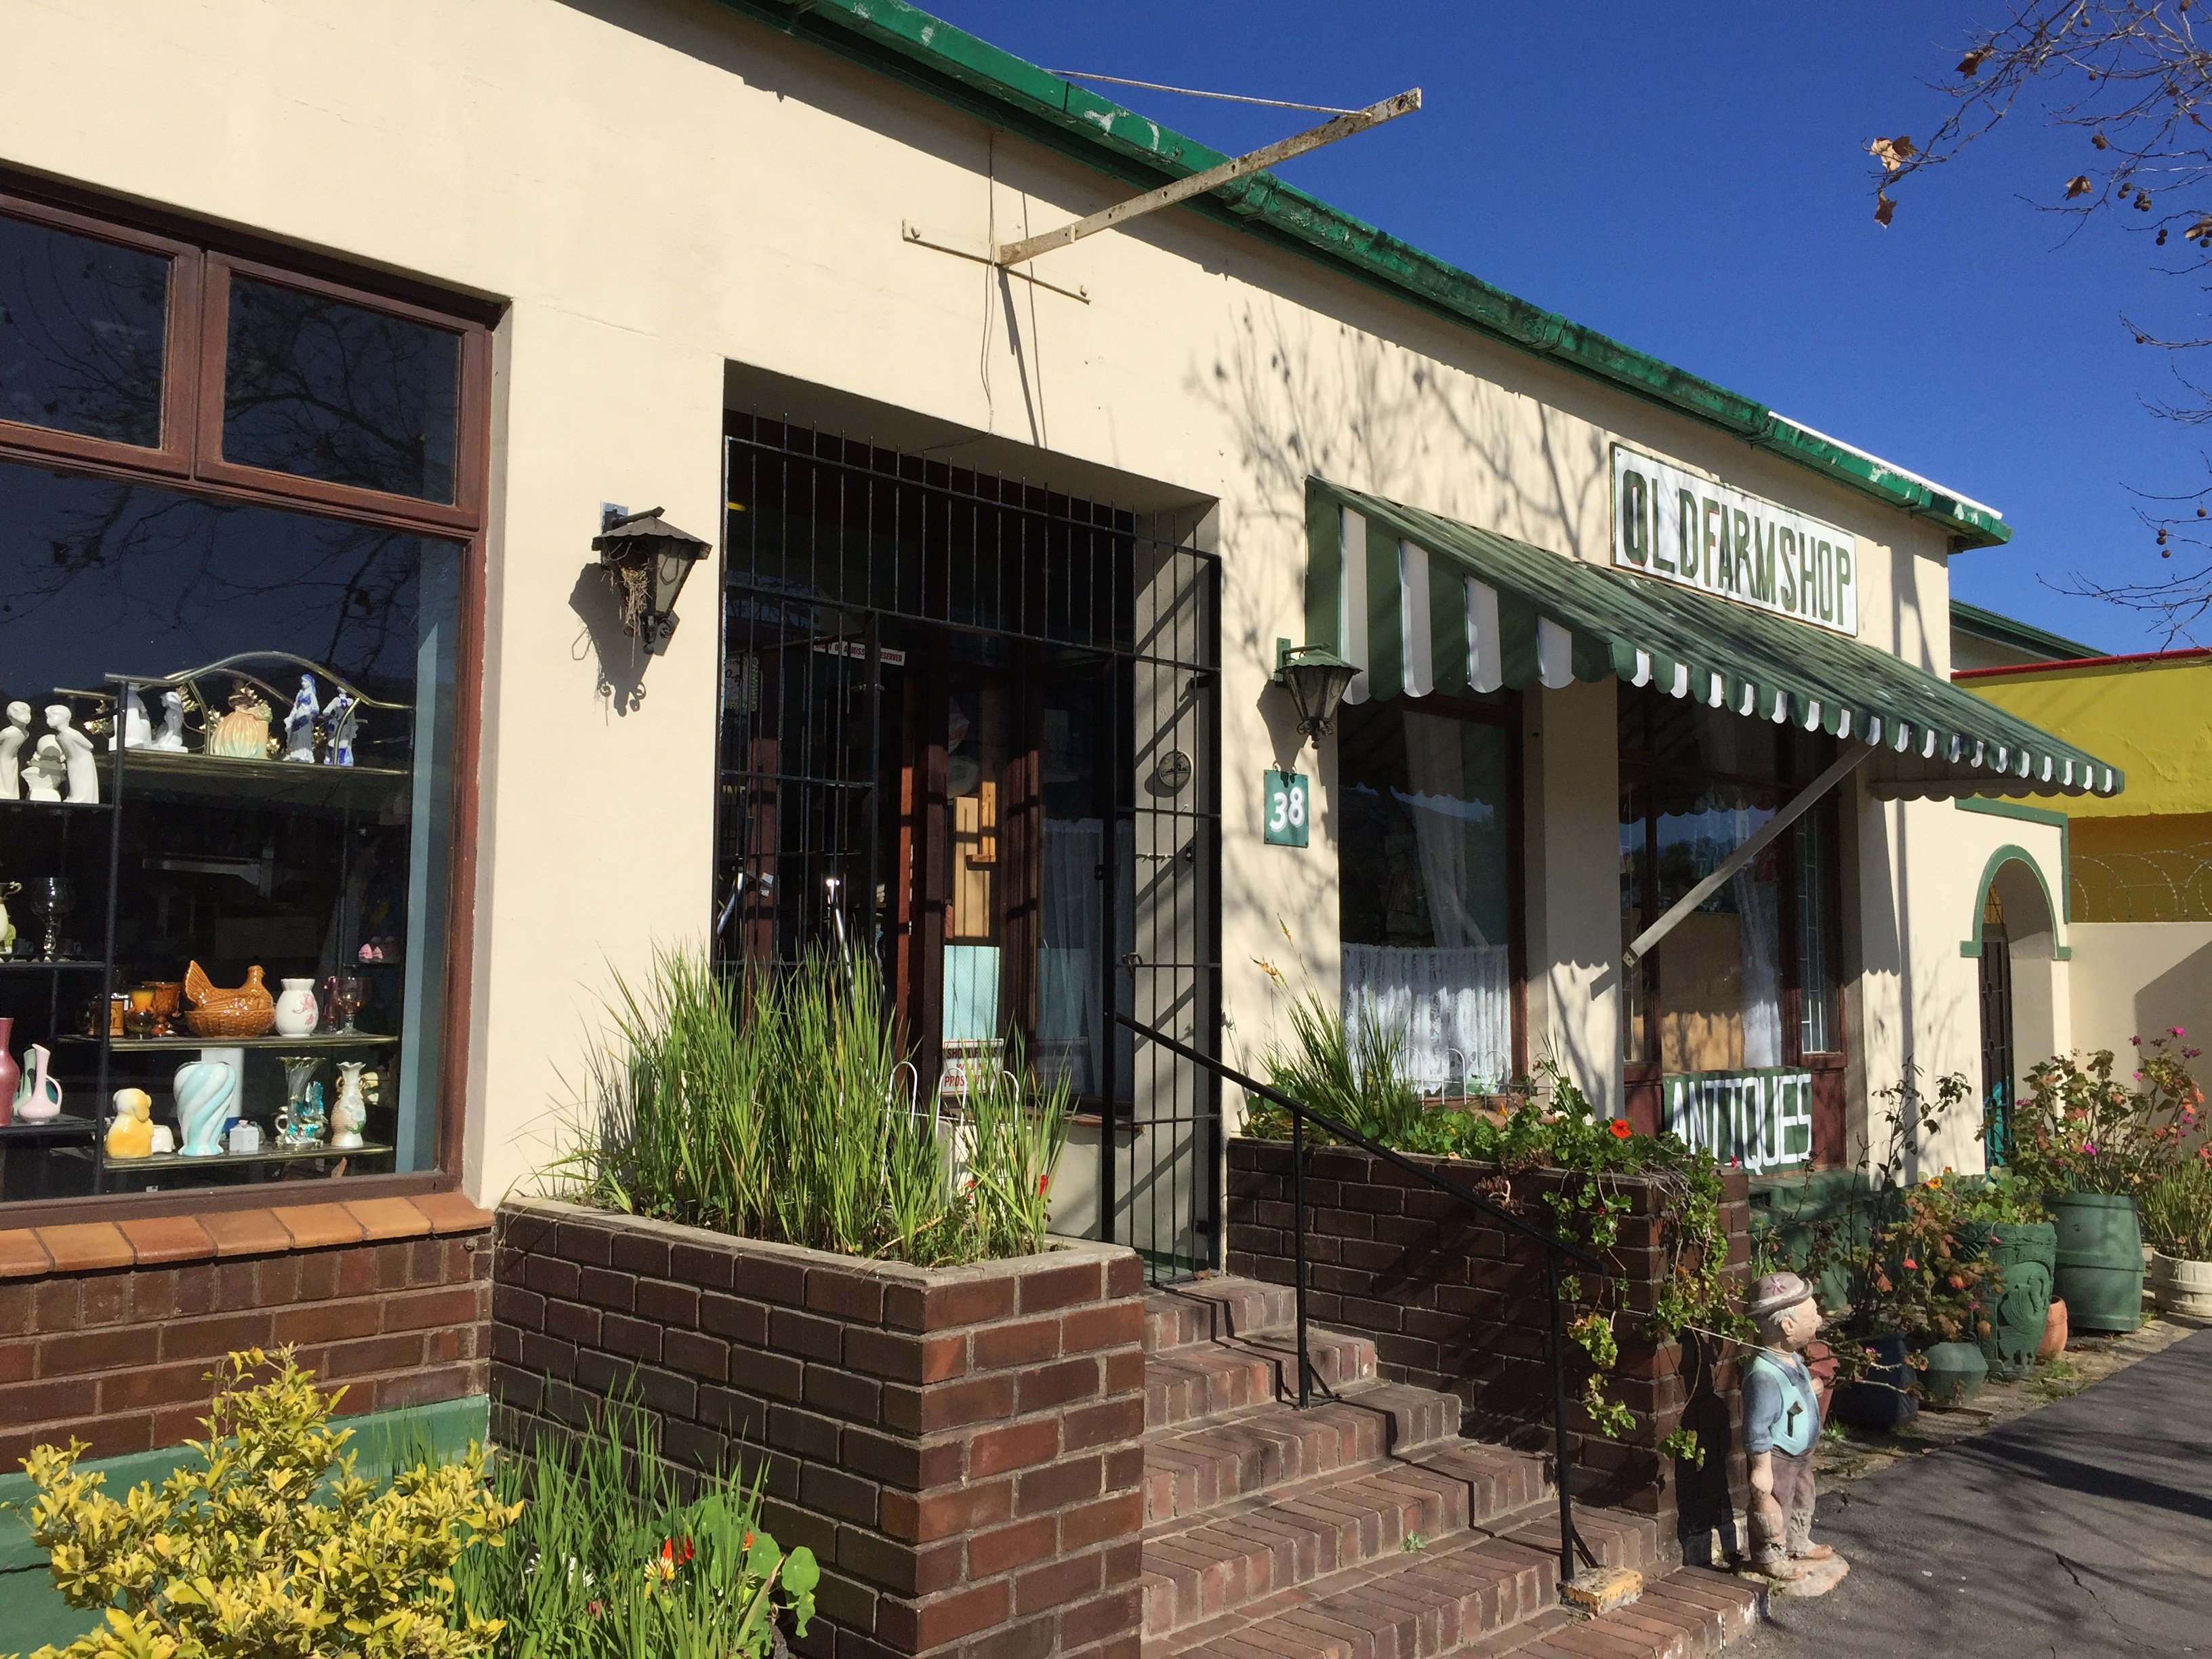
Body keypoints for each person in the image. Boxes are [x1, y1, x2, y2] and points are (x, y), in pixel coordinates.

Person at [1742, 1270, 1846, 1591]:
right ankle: (1769, 1555)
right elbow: (1757, 1427)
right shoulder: (1764, 1376)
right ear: (1788, 1326)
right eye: (1811, 1316)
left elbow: (1794, 1397)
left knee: (1804, 1497)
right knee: (1776, 1503)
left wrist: (1810, 1389)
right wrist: (1760, 1468)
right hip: (1779, 1456)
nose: (1819, 1320)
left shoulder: (1793, 1361)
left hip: (1801, 1455)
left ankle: (1798, 1541)